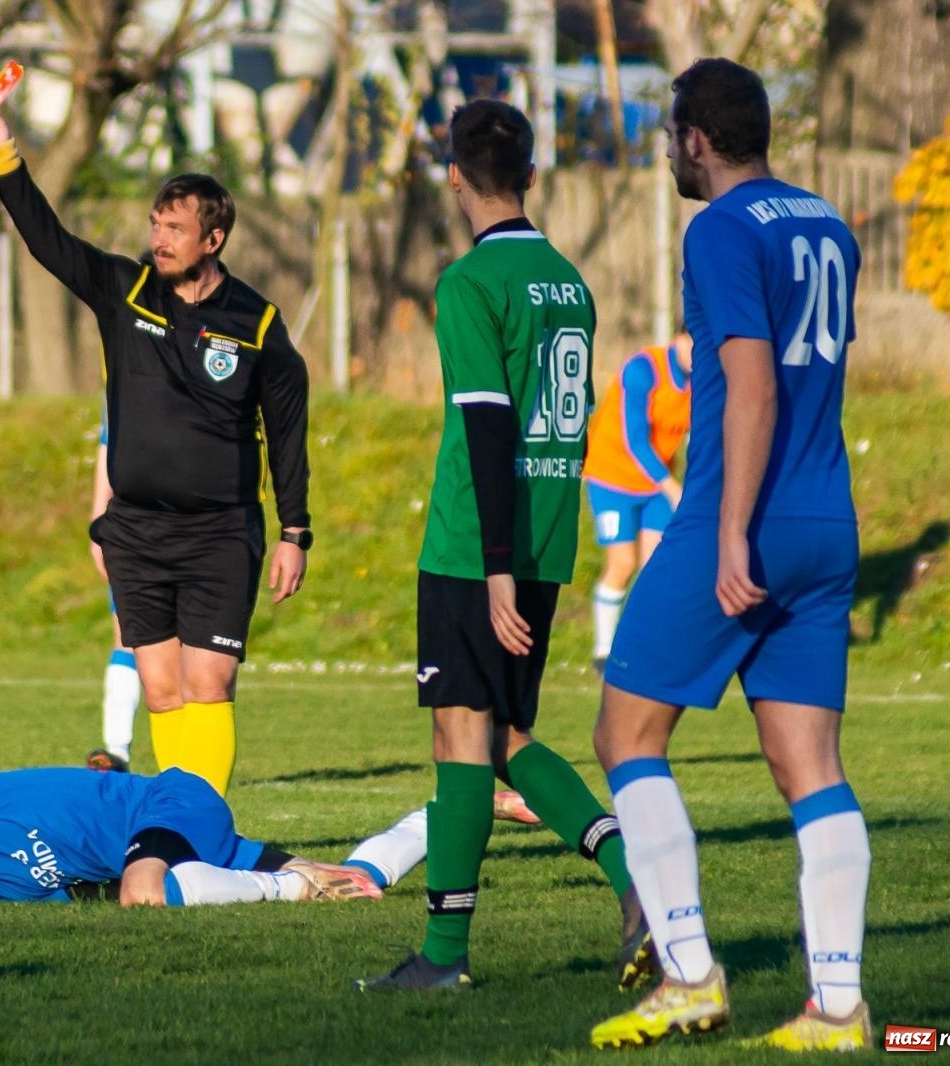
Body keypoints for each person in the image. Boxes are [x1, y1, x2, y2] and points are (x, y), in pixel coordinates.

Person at [589, 58, 869, 1052]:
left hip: (737, 516)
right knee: (808, 765)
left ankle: (690, 974)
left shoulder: (713, 228)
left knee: (625, 738)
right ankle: (837, 1006)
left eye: (671, 136)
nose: (671, 152)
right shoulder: (827, 221)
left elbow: (749, 385)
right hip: (826, 518)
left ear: (694, 140)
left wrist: (732, 531)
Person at [356, 100, 652, 993]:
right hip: (551, 535)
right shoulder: (569, 278)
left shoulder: (467, 284)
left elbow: (487, 432)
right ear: (530, 175)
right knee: (503, 737)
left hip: (474, 548)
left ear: (454, 176)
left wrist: (488, 569)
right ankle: (638, 880)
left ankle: (444, 959)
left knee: (460, 734)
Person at [0, 100, 312, 798]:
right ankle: (181, 823)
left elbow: (287, 432)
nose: (160, 238)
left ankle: (200, 825)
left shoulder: (258, 322)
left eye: (176, 228)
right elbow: (46, 239)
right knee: (159, 687)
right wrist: (5, 156)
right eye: (156, 224)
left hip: (219, 530)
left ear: (213, 239)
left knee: (208, 679)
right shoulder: (124, 291)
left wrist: (295, 530)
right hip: (137, 529)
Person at [0, 767, 539, 906]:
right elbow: (86, 899)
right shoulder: (3, 889)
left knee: (144, 895)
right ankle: (453, 812)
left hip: (169, 803)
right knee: (353, 882)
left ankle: (288, 891)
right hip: (172, 838)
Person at [582, 333, 693, 670]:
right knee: (622, 564)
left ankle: (648, 647)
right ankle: (603, 650)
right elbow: (635, 440)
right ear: (680, 339)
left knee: (657, 567)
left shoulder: (703, 381)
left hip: (655, 486)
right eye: (696, 344)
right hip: (611, 479)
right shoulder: (644, 369)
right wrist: (673, 489)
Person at [86, 411, 142, 773]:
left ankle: (191, 759)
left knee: (192, 649)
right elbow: (110, 441)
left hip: (199, 522)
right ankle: (115, 752)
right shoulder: (128, 365)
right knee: (126, 635)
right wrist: (98, 517)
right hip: (133, 524)